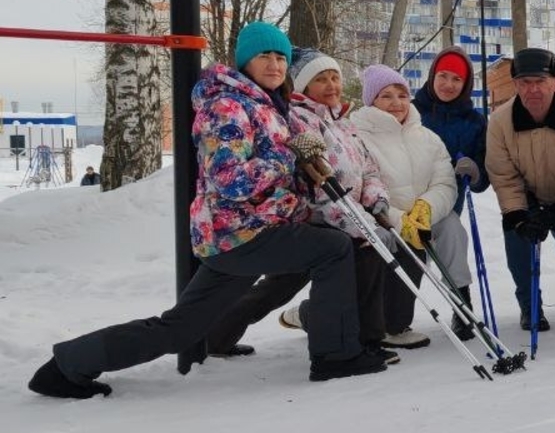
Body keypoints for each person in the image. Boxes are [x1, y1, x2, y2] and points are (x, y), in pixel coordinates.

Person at [28, 21, 382, 398]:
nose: (275, 64)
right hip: (242, 231)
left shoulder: (268, 105)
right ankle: (335, 356)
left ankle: (68, 364)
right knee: (333, 248)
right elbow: (229, 179)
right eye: (265, 55)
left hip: (246, 231)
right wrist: (286, 156)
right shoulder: (227, 105)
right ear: (245, 60)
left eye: (281, 56)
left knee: (180, 327)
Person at [206, 48, 395, 362]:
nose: (332, 85)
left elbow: (368, 168)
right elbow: (319, 184)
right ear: (304, 87)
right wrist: (364, 226)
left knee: (281, 285)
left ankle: (218, 333)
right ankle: (363, 341)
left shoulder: (343, 122)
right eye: (321, 79)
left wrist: (375, 201)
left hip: (349, 214)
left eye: (335, 77)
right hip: (317, 216)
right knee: (354, 259)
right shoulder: (299, 119)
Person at [485, 47, 555, 332]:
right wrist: (518, 214)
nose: (532, 89)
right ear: (515, 85)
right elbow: (504, 175)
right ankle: (530, 304)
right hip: (527, 195)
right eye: (525, 82)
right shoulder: (499, 122)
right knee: (517, 239)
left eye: (540, 81)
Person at [354, 65, 466, 349]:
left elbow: (445, 183)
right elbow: (362, 189)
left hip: (420, 217)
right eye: (386, 96)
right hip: (383, 220)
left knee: (451, 226)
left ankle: (462, 299)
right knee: (386, 316)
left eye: (402, 95)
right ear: (371, 101)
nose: (396, 103)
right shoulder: (357, 135)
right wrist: (399, 219)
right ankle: (318, 312)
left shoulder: (427, 137)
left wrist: (426, 209)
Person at [413, 46, 501, 335]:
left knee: (453, 240)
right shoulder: (411, 110)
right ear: (432, 76)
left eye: (456, 80)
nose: (448, 84)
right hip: (405, 200)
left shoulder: (475, 121)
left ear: (466, 85)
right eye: (443, 76)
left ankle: (462, 306)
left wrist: (473, 171)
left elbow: (482, 177)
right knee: (411, 260)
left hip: (446, 203)